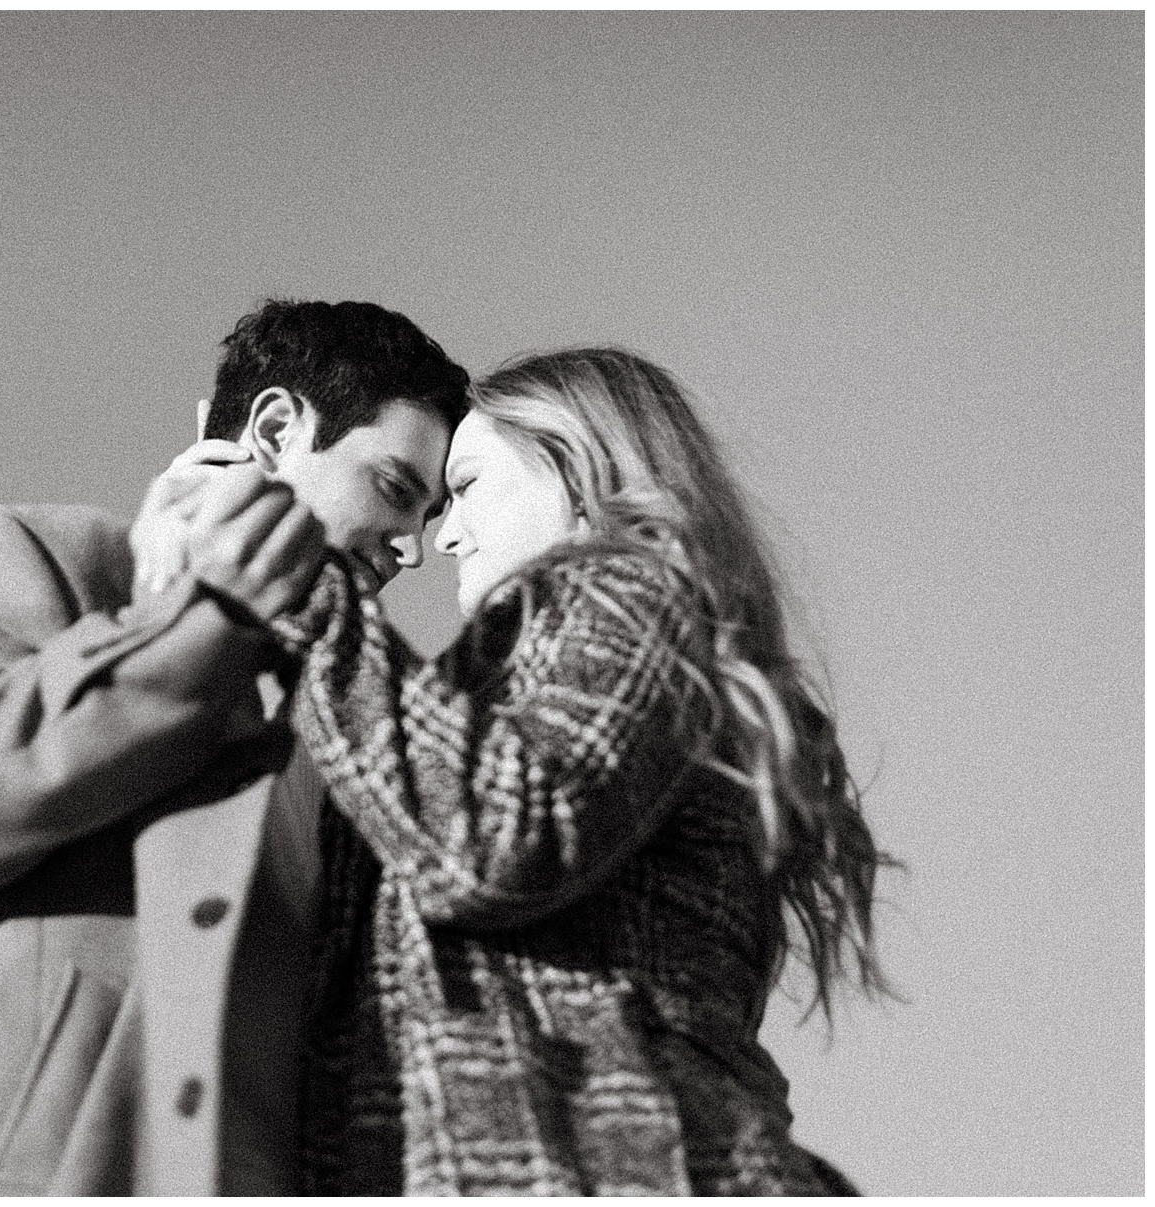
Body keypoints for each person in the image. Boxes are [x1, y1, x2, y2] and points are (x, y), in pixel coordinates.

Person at [0, 299, 468, 1195]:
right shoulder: (38, 559)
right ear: (275, 429)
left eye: (429, 515)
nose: (412, 549)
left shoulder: (359, 729)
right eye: (394, 489)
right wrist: (197, 625)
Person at [236, 346, 890, 1194]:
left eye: (464, 486)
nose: (444, 537)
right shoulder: (498, 694)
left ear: (579, 470)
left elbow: (499, 836)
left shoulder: (634, 590)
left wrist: (293, 571)